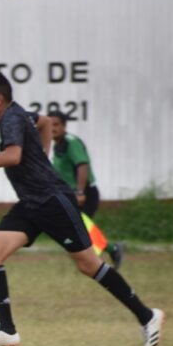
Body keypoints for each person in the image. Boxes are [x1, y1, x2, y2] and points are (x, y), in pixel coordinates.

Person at [0, 70, 163, 346]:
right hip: (31, 203)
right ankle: (7, 330)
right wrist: (43, 154)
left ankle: (147, 316)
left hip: (52, 201)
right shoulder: (17, 114)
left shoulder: (11, 118)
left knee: (89, 264)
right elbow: (46, 121)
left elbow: (13, 156)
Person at [49, 110, 124, 269]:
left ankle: (103, 256)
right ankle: (109, 252)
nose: (52, 128)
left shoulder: (71, 142)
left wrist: (80, 191)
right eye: (50, 125)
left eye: (56, 124)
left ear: (64, 126)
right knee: (79, 227)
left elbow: (82, 165)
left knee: (81, 227)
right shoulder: (57, 145)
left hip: (85, 193)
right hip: (70, 194)